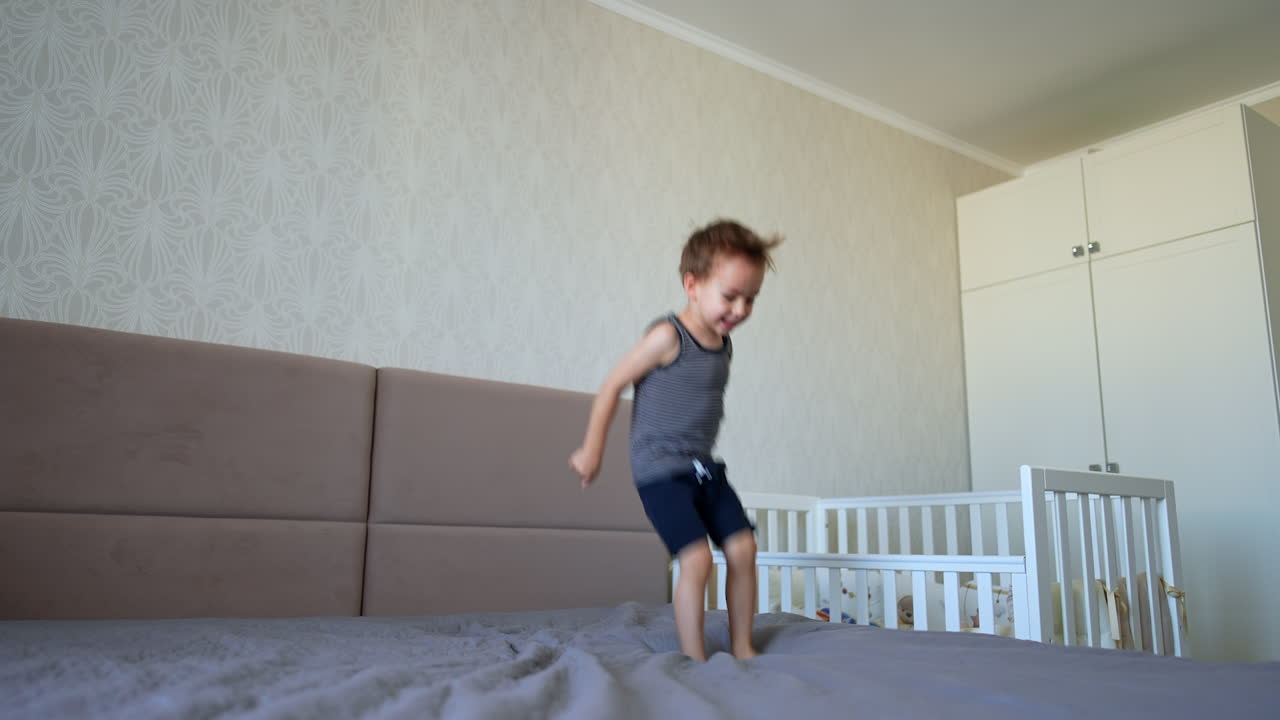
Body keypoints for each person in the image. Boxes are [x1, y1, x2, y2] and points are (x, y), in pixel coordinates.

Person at [569, 219, 782, 661]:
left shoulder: (723, 343)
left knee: (744, 548)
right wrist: (593, 451)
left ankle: (743, 646)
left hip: (703, 466)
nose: (740, 309)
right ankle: (694, 657)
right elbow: (612, 386)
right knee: (697, 559)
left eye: (751, 299)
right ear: (693, 285)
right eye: (730, 296)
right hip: (660, 472)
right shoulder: (668, 337)